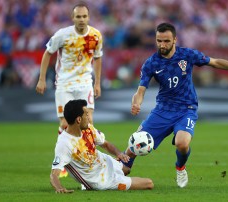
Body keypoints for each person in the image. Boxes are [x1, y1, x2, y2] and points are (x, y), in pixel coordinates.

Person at [122, 22, 228, 188]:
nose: (162, 44)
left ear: (174, 40)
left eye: (166, 41)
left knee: (182, 143)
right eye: (159, 41)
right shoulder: (151, 63)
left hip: (186, 109)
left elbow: (215, 62)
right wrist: (136, 103)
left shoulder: (187, 55)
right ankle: (114, 172)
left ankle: (180, 167)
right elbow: (140, 91)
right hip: (162, 110)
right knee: (131, 149)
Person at [50, 99, 154, 193]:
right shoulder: (64, 144)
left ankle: (118, 174)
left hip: (105, 162)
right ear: (78, 120)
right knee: (149, 184)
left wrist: (119, 154)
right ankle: (94, 185)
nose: (89, 117)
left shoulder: (88, 128)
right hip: (101, 181)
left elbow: (105, 144)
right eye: (86, 114)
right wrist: (59, 188)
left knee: (127, 170)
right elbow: (54, 174)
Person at [36, 2, 102, 135]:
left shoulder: (96, 35)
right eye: (78, 17)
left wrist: (97, 83)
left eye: (84, 16)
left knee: (88, 123)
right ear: (73, 18)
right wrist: (41, 79)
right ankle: (62, 152)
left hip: (85, 83)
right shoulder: (62, 35)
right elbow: (48, 53)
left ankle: (85, 154)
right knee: (66, 123)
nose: (82, 19)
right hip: (65, 83)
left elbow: (98, 57)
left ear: (89, 17)